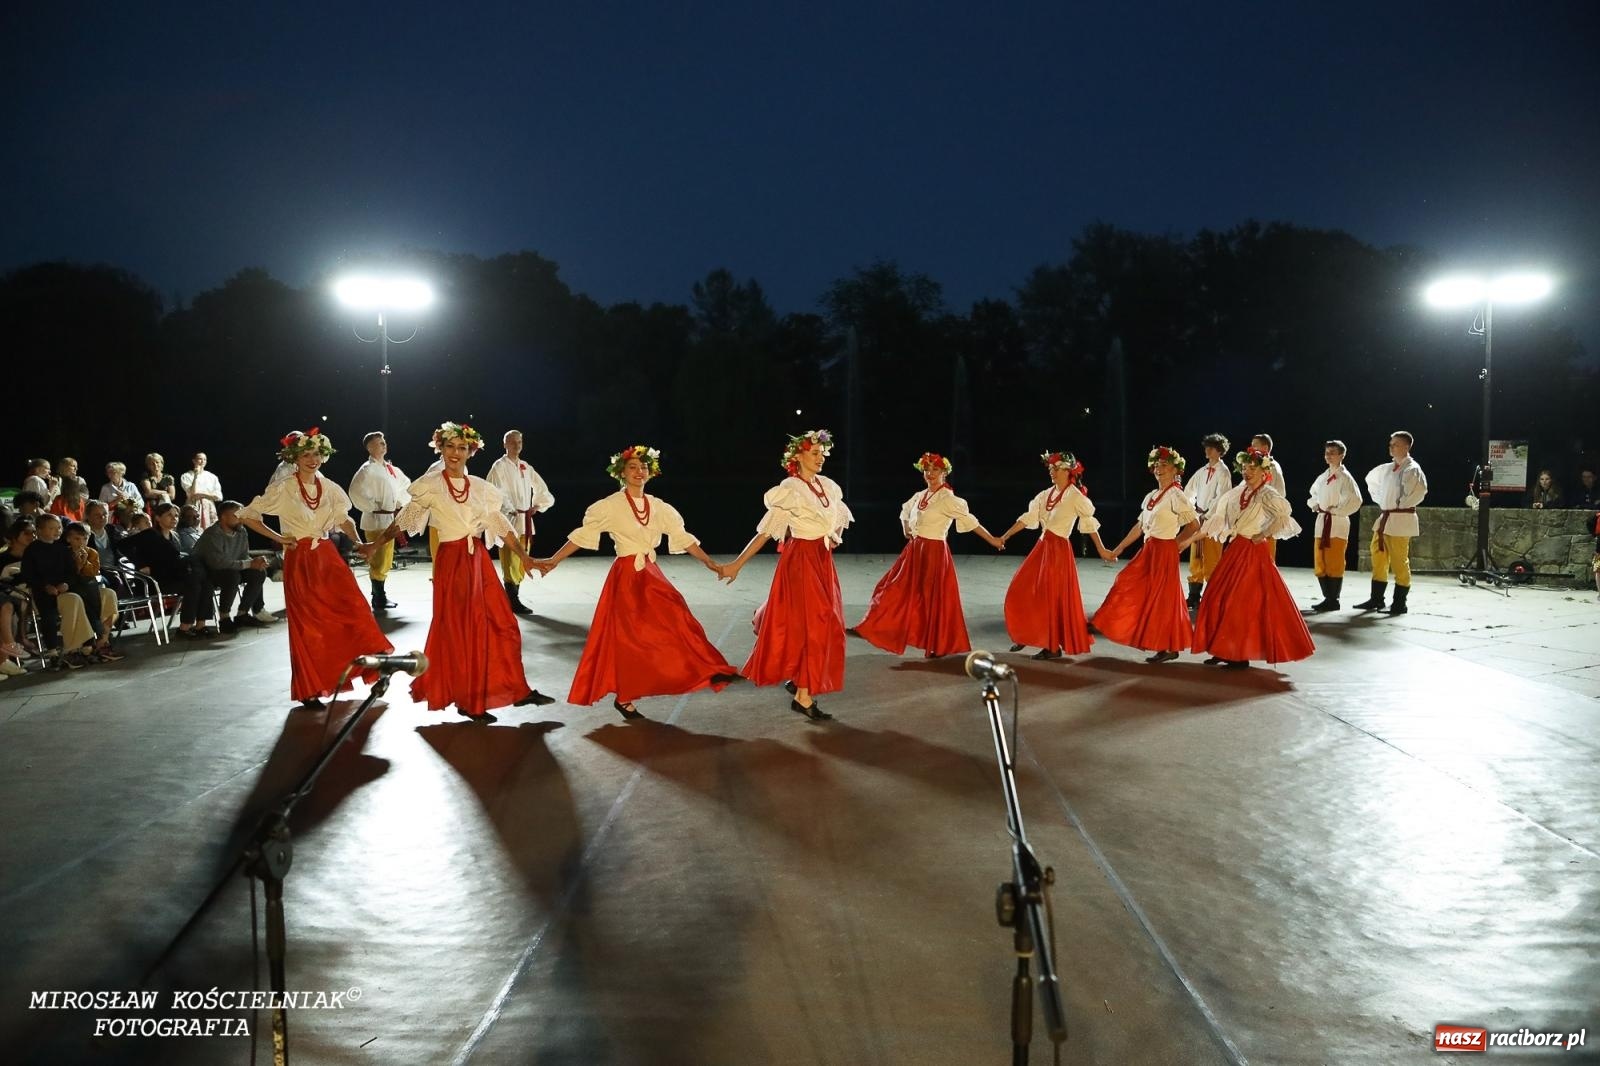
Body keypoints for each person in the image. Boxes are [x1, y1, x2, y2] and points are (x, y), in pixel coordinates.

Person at [363, 421, 556, 721]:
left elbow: (500, 525)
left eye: (462, 447)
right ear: (440, 448)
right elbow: (405, 519)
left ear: (471, 451)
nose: (456, 452)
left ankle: (515, 688)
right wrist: (375, 544)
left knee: (504, 624)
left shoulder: (481, 488)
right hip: (452, 562)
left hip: (478, 560)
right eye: (450, 446)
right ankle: (467, 699)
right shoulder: (431, 485)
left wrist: (524, 557)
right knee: (461, 630)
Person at [533, 444, 736, 721]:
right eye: (633, 467)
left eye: (643, 467)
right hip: (626, 576)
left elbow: (683, 537)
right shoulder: (610, 506)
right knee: (628, 638)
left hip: (650, 573)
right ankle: (625, 697)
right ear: (622, 473)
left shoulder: (659, 507)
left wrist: (710, 563)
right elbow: (583, 535)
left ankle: (703, 667)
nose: (639, 472)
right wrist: (554, 560)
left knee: (676, 618)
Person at [240, 427, 393, 708]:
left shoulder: (329, 487)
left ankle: (374, 663)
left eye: (316, 454)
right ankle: (310, 688)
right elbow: (248, 514)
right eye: (306, 455)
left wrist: (358, 542)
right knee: (309, 624)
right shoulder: (284, 487)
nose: (312, 459)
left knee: (353, 608)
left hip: (326, 555)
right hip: (300, 558)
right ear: (294, 459)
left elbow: (343, 518)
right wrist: (279, 538)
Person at [721, 429, 853, 721]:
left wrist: (833, 536)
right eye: (814, 453)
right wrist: (737, 564)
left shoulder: (828, 486)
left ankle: (799, 678)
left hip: (821, 561)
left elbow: (841, 516)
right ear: (798, 456)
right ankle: (803, 695)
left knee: (823, 622)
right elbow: (767, 530)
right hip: (800, 562)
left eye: (822, 454)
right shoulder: (790, 489)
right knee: (814, 625)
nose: (820, 458)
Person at [853, 452, 1004, 660]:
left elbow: (971, 522)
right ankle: (873, 627)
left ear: (944, 473)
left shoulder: (949, 499)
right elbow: (905, 510)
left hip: (934, 552)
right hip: (915, 550)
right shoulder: (920, 495)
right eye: (927, 469)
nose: (930, 473)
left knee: (933, 599)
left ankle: (937, 644)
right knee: (891, 587)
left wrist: (992, 540)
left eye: (935, 470)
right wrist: (906, 527)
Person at [1192, 448, 1316, 668]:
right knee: (1217, 594)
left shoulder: (1266, 493)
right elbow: (1217, 519)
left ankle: (1238, 654)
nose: (1247, 471)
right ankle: (1224, 648)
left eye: (1253, 468)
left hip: (1252, 551)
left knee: (1241, 602)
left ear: (1264, 472)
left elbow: (1283, 516)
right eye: (1245, 467)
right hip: (1236, 548)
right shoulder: (1237, 493)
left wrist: (1263, 534)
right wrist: (1186, 541)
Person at [999, 450, 1111, 660]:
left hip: (1058, 550)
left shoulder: (1075, 496)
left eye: (1057, 468)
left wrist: (1102, 549)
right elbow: (1028, 518)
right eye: (1051, 468)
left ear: (1069, 471)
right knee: (1021, 588)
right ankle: (1027, 634)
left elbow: (1088, 523)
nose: (1052, 471)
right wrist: (1005, 536)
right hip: (1042, 547)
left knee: (1049, 599)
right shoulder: (1044, 495)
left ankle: (1051, 647)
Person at [1092, 445, 1199, 664]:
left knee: (1163, 599)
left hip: (1164, 550)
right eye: (1157, 465)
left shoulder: (1177, 495)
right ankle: (1112, 622)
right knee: (1128, 582)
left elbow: (1194, 524)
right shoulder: (1152, 495)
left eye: (1165, 466)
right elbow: (1139, 526)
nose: (1160, 469)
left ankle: (1168, 645)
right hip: (1149, 549)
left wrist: (1177, 543)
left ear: (1175, 470)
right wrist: (1118, 549)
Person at [1355, 431, 1429, 616]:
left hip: (1400, 520)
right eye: (1391, 444)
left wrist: (1399, 504)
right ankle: (1377, 599)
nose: (1391, 447)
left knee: (1399, 561)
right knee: (1378, 557)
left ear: (1406, 446)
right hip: (1385, 519)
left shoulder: (1412, 469)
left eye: (1395, 444)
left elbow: (1419, 492)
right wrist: (1383, 501)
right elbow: (1372, 482)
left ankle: (1399, 603)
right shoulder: (1387, 468)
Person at [488, 429, 556, 616]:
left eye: (519, 442)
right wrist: (510, 507)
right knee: (510, 558)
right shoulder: (499, 466)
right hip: (509, 519)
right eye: (512, 442)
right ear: (505, 444)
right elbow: (494, 490)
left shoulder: (525, 466)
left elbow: (541, 488)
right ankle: (512, 599)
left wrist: (536, 505)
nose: (516, 445)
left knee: (523, 558)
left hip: (524, 519)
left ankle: (514, 595)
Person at [119, 502, 211, 636]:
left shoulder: (175, 536)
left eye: (176, 515)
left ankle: (201, 625)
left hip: (172, 577)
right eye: (169, 515)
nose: (174, 518)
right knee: (193, 584)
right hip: (155, 581)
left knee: (205, 582)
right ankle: (184, 627)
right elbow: (122, 546)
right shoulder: (149, 534)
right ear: (157, 518)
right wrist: (140, 565)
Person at [347, 430, 412, 613]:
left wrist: (399, 502)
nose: (384, 444)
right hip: (375, 519)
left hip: (389, 518)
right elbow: (355, 491)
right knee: (378, 559)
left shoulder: (390, 468)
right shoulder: (367, 470)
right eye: (379, 442)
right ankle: (378, 597)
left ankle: (380, 595)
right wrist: (372, 506)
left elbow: (405, 486)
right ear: (370, 447)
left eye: (384, 442)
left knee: (386, 559)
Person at [195, 500, 274, 633]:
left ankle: (242, 614)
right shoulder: (212, 534)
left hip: (233, 567)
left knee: (258, 572)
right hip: (211, 571)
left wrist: (255, 562)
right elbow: (218, 562)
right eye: (237, 515)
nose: (241, 519)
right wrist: (249, 563)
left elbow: (243, 555)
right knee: (232, 576)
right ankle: (224, 617)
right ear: (223, 517)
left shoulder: (241, 531)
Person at [1305, 440, 1364, 612]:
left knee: (1334, 561)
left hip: (1337, 523)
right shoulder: (1323, 477)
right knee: (1320, 560)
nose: (1328, 455)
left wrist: (1338, 510)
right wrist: (1314, 504)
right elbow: (1313, 494)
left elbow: (1356, 500)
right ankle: (1327, 597)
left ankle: (1333, 599)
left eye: (1332, 452)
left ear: (1341, 455)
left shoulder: (1345, 478)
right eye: (1327, 452)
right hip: (1322, 521)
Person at [1183, 433, 1233, 609]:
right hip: (1199, 518)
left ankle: (1213, 597)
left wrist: (1207, 514)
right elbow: (1189, 491)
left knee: (1212, 558)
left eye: (1210, 448)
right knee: (1196, 557)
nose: (1207, 450)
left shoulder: (1223, 472)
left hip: (1213, 520)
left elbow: (1223, 496)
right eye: (1206, 447)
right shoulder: (1202, 471)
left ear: (1219, 451)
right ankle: (1194, 596)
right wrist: (1190, 510)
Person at [1250, 433, 1287, 562]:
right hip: (1255, 518)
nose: (1251, 448)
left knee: (1265, 560)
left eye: (1255, 445)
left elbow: (1270, 493)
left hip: (1267, 518)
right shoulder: (1257, 466)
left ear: (1265, 448)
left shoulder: (1271, 467)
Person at [180, 452, 223, 528]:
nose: (202, 461)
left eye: (205, 459)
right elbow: (193, 493)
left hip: (208, 507)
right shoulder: (186, 476)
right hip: (193, 506)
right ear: (194, 461)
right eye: (200, 459)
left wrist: (202, 495)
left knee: (209, 531)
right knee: (193, 528)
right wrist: (196, 475)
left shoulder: (212, 477)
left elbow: (219, 497)